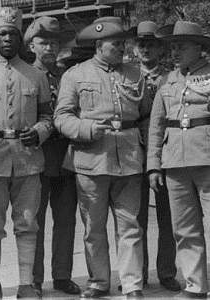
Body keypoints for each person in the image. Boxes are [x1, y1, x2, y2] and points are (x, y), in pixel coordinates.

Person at [147, 20, 210, 298]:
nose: (175, 51)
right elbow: (157, 126)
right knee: (184, 230)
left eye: (181, 45)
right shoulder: (167, 80)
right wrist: (154, 165)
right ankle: (194, 286)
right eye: (172, 46)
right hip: (175, 163)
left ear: (200, 47)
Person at [54, 16, 151, 299]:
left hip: (130, 159)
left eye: (123, 43)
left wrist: (148, 153)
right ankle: (99, 281)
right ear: (98, 45)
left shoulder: (136, 75)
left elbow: (146, 117)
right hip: (90, 161)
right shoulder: (75, 75)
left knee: (130, 225)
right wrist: (86, 129)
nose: (122, 48)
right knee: (94, 228)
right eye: (115, 43)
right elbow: (62, 117)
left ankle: (132, 284)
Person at [0, 7, 53, 299]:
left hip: (28, 161)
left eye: (12, 34)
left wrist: (39, 132)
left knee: (27, 222)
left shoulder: (36, 75)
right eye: (2, 34)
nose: (7, 39)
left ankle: (26, 284)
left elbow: (47, 116)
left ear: (20, 40)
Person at [24, 16, 80, 296]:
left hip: (66, 156)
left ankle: (62, 275)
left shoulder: (68, 76)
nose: (49, 47)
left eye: (54, 42)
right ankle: (34, 278)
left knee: (66, 219)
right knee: (34, 221)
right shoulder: (25, 75)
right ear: (31, 45)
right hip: (36, 156)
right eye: (43, 42)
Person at [133, 21, 179, 292]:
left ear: (161, 48)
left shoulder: (172, 77)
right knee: (135, 216)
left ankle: (167, 272)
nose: (146, 48)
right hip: (134, 150)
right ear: (135, 48)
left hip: (165, 150)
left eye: (151, 43)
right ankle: (137, 273)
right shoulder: (127, 75)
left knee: (168, 216)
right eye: (141, 44)